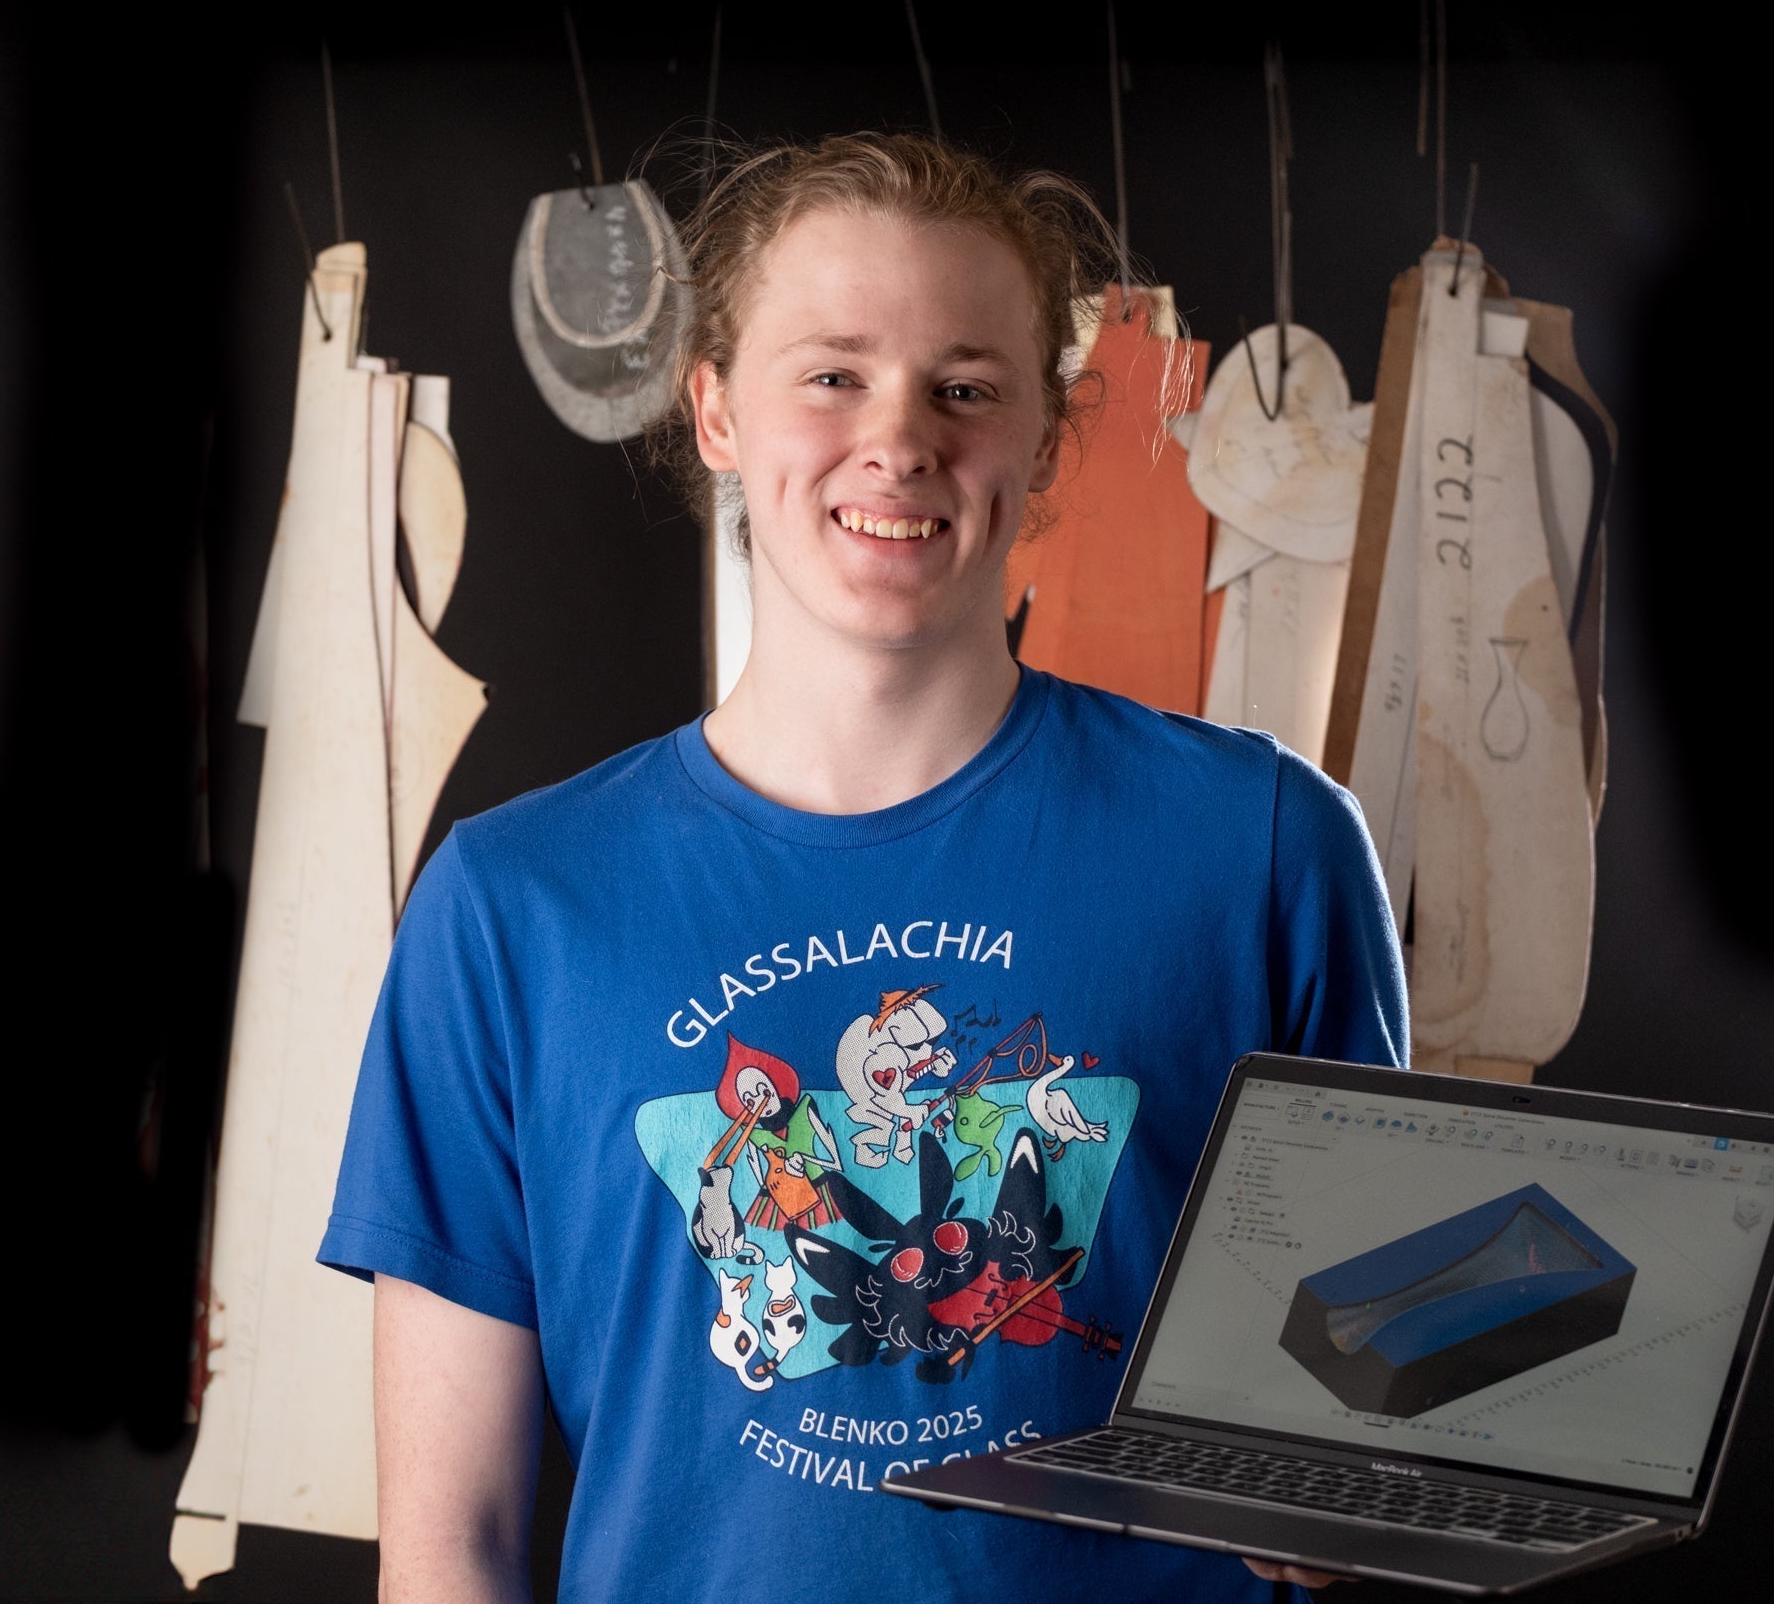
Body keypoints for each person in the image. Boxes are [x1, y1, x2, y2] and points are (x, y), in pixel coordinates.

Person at [319, 133, 1407, 1603]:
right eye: (832, 373)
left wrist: (1360, 1489)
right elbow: (451, 1548)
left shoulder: (1266, 847)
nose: (899, 439)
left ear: (1046, 438)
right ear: (713, 407)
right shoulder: (511, 908)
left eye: (967, 387)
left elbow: (1370, 1437)